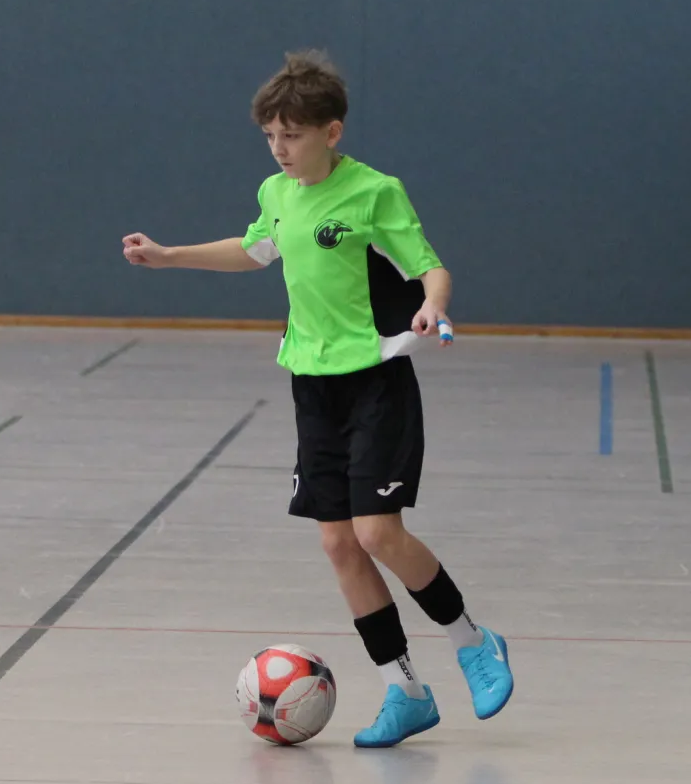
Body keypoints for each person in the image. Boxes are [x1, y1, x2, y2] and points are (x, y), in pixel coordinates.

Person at [123, 51, 514, 748]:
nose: (280, 148)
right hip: (312, 383)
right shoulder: (277, 193)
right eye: (271, 136)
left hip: (375, 378)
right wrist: (170, 254)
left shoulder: (374, 192)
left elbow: (429, 266)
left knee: (377, 532)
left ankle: (473, 641)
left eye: (293, 135)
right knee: (338, 542)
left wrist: (433, 306)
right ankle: (405, 691)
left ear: (331, 132)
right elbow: (255, 249)